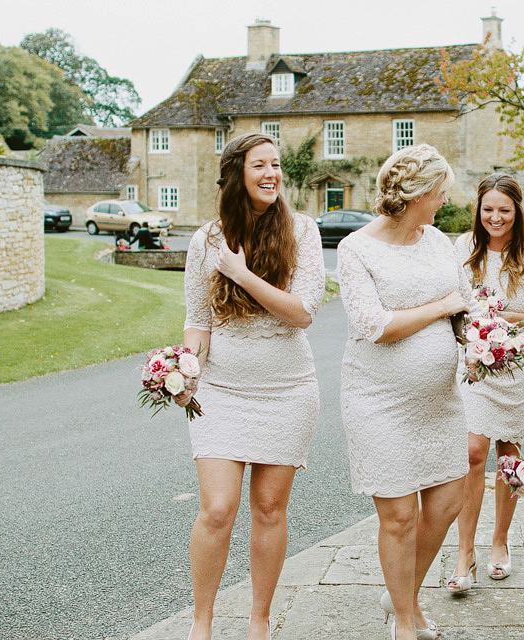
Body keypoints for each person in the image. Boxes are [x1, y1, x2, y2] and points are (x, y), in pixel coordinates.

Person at [177, 132, 325, 640]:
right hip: (221, 391)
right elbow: (198, 320)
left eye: (276, 165)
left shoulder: (303, 231)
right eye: (260, 165)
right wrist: (183, 369)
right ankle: (202, 621)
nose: (271, 174)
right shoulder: (206, 240)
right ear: (237, 173)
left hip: (287, 391)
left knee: (268, 508)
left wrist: (241, 274)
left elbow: (303, 312)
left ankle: (259, 622)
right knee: (218, 509)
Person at [336, 144, 470, 640]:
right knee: (398, 517)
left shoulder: (439, 242)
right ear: (419, 194)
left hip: (440, 403)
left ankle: (403, 596)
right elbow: (376, 325)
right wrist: (440, 307)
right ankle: (407, 620)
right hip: (379, 401)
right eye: (440, 194)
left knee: (445, 505)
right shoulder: (357, 249)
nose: (443, 202)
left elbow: (465, 305)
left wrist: (491, 342)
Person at [447, 174, 524, 592]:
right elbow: (454, 304)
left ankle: (500, 540)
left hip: (517, 365)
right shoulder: (464, 250)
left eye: (504, 210)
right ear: (478, 210)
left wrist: (500, 319)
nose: (495, 217)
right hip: (475, 363)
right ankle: (463, 549)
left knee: (509, 453)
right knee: (472, 451)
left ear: (517, 211)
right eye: (488, 209)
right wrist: (475, 325)